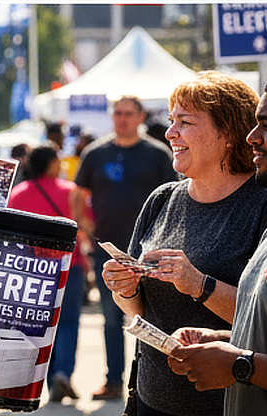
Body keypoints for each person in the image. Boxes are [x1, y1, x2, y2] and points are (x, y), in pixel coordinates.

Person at [100, 72, 267, 416]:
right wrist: (126, 287)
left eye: (185, 122)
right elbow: (136, 310)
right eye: (171, 121)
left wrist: (199, 284)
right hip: (154, 402)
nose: (171, 133)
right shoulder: (162, 199)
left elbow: (264, 317)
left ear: (228, 134)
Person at [167, 70, 267, 416]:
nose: (253, 138)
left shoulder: (266, 208)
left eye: (266, 127)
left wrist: (241, 365)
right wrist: (223, 341)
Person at [72, 95, 177, 400]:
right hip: (110, 252)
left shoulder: (158, 154)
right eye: (117, 113)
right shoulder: (96, 153)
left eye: (128, 113)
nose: (122, 119)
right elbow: (78, 194)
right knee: (110, 318)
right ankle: (114, 381)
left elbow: (174, 198)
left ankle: (159, 385)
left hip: (150, 253)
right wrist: (87, 229)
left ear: (140, 116)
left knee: (155, 318)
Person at [7, 146, 88, 402]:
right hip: (69, 265)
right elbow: (86, 224)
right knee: (68, 322)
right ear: (52, 164)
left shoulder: (18, 195)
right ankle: (62, 373)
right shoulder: (70, 191)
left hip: (32, 270)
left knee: (41, 325)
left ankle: (50, 375)